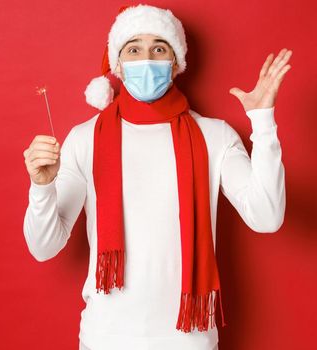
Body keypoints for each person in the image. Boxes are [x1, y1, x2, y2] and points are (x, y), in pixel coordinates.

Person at [22, 4, 289, 350]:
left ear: (176, 63)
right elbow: (44, 247)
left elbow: (267, 218)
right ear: (117, 65)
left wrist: (263, 123)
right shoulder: (85, 138)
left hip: (189, 341)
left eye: (159, 49)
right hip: (105, 338)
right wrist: (42, 187)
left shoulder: (215, 136)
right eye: (133, 49)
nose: (146, 59)